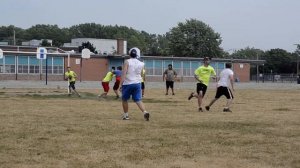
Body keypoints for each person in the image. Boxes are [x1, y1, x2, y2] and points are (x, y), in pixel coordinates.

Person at [120, 47, 150, 121]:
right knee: (138, 100)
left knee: (124, 99)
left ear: (129, 54)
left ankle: (126, 115)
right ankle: (145, 112)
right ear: (136, 55)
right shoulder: (141, 63)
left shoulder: (127, 62)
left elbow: (124, 73)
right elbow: (142, 73)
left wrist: (120, 84)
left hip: (128, 83)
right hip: (137, 83)